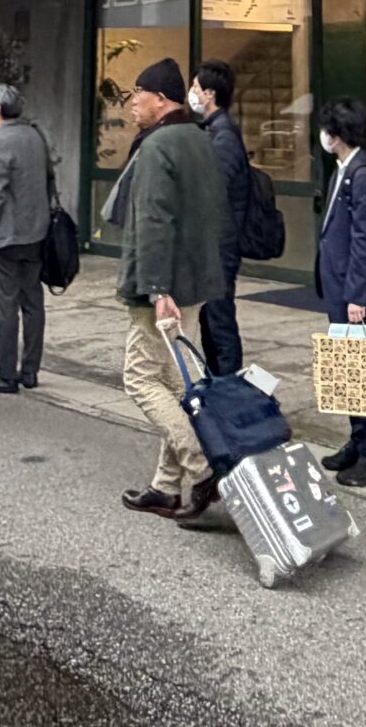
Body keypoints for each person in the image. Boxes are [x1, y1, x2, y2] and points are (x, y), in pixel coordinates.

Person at [108, 57, 227, 524]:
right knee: (179, 385)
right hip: (195, 281)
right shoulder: (200, 139)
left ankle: (202, 467)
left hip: (162, 286)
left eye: (138, 93)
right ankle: (165, 488)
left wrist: (156, 288)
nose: (132, 103)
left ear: (160, 99)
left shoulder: (158, 145)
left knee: (139, 378)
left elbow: (154, 219)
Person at [315, 98, 366, 487]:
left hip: (360, 293)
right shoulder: (346, 170)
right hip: (342, 287)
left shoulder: (364, 175)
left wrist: (356, 297)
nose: (323, 137)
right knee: (352, 372)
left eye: (327, 130)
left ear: (337, 135)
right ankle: (359, 442)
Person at [0, 82, 52, 395]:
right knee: (32, 303)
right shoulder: (35, 136)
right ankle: (30, 370)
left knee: (5, 306)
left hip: (6, 235)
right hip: (36, 232)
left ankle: (6, 373)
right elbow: (49, 181)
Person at [191, 59, 251, 376]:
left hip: (220, 245)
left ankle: (228, 384)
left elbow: (214, 188)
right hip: (212, 242)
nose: (192, 93)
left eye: (195, 87)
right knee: (209, 319)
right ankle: (217, 381)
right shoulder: (213, 130)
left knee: (219, 319)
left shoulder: (224, 136)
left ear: (209, 94)